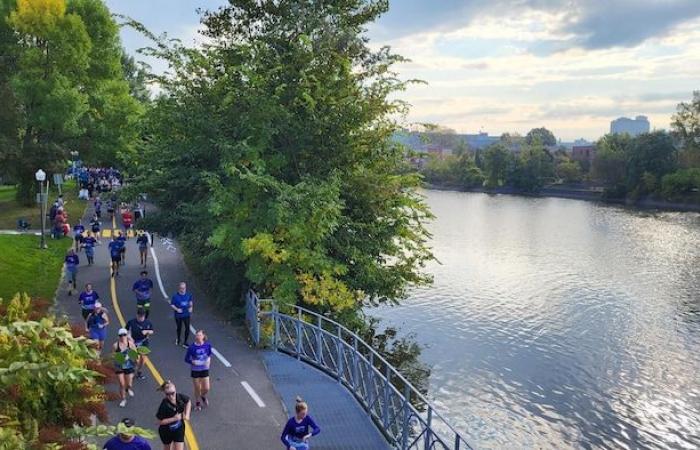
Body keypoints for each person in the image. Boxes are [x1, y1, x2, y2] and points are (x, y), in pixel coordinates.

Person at [156, 380, 191, 450]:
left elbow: (188, 401)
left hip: (179, 428)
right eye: (167, 394)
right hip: (166, 430)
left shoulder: (180, 398)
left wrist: (187, 415)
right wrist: (174, 419)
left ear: (175, 390)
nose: (171, 396)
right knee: (167, 448)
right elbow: (159, 422)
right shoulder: (164, 405)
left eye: (172, 393)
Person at [184, 330, 212, 411]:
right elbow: (186, 359)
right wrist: (192, 362)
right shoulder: (191, 347)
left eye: (199, 335)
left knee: (206, 388)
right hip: (195, 369)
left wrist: (208, 362)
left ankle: (203, 396)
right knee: (197, 388)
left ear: (203, 336)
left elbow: (209, 354)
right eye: (196, 335)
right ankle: (197, 403)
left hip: (204, 369)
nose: (198, 337)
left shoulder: (207, 345)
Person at [126, 308, 154, 380]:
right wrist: (129, 337)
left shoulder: (148, 323)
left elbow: (152, 331)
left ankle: (139, 371)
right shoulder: (131, 322)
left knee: (143, 359)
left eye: (142, 316)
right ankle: (131, 370)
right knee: (136, 359)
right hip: (133, 342)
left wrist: (147, 331)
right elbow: (126, 331)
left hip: (143, 342)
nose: (141, 318)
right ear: (137, 315)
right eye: (139, 316)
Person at [114, 328, 137, 408]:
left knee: (129, 384)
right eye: (121, 335)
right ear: (118, 336)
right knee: (121, 384)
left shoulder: (130, 344)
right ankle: (123, 399)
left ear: (126, 335)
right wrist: (119, 359)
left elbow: (135, 353)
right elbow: (113, 355)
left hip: (128, 365)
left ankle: (128, 388)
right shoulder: (115, 345)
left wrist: (133, 359)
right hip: (119, 366)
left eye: (124, 335)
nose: (123, 337)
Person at [170, 282, 193, 348]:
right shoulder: (175, 296)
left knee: (187, 328)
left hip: (186, 314)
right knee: (179, 328)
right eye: (181, 288)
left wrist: (191, 307)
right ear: (179, 288)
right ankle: (178, 338)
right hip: (178, 315)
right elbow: (172, 304)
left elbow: (190, 302)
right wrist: (177, 309)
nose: (183, 290)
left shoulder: (188, 295)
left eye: (184, 288)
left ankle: (185, 342)